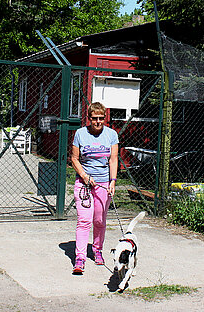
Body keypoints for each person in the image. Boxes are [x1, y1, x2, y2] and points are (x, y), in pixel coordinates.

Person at [70, 102, 118, 274]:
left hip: (103, 184)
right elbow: (74, 159)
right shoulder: (80, 134)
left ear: (104, 118)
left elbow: (113, 160)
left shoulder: (111, 135)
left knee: (99, 220)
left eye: (101, 118)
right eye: (94, 119)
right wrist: (84, 176)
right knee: (84, 221)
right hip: (84, 184)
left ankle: (97, 249)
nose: (98, 122)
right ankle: (80, 258)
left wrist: (113, 181)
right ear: (89, 119)